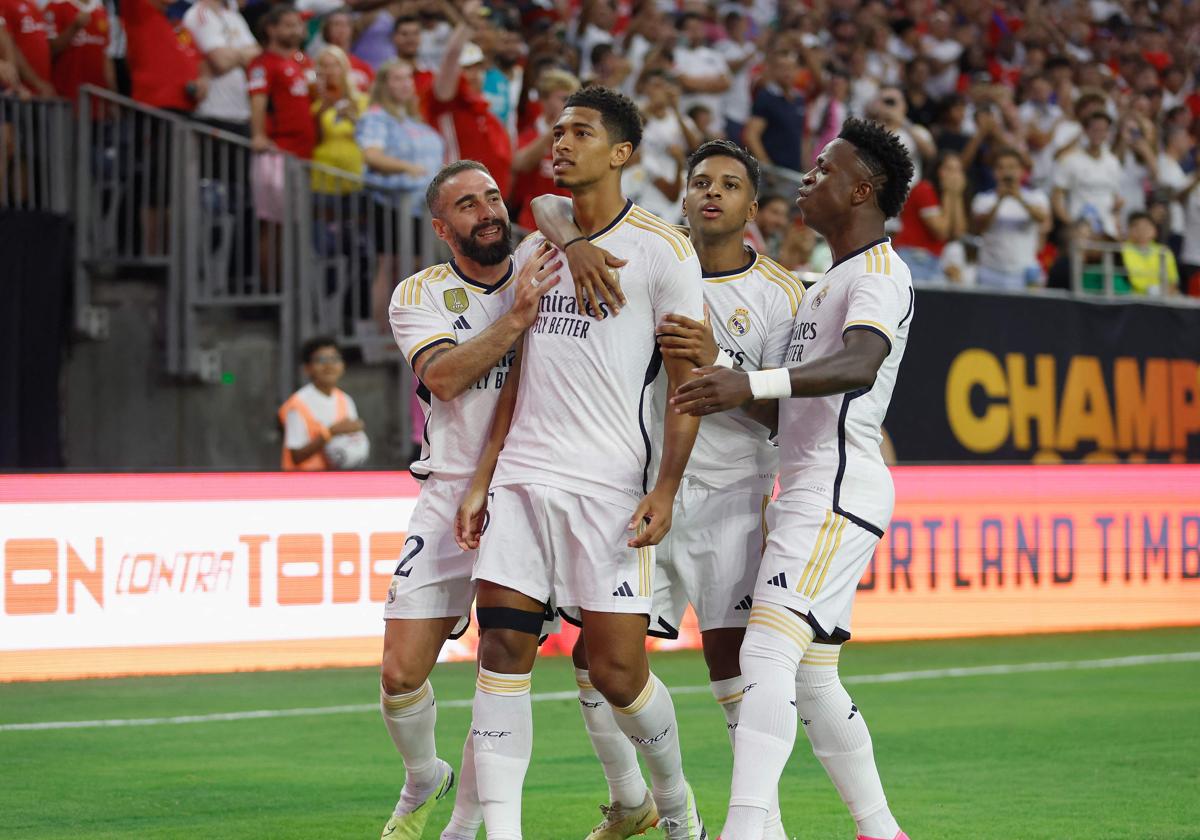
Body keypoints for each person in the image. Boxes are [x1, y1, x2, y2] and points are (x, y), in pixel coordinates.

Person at [532, 139, 805, 840]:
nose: (713, 193)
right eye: (700, 182)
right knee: (595, 662)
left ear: (752, 206)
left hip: (732, 500)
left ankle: (759, 826)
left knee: (734, 667)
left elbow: (788, 415)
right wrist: (570, 238)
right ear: (682, 197)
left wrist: (725, 370)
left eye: (730, 185)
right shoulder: (649, 255)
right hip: (641, 489)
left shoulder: (781, 293)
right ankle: (631, 801)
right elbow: (544, 202)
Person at [455, 85, 707, 840]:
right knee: (501, 647)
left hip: (608, 488)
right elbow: (519, 373)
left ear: (622, 153)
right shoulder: (540, 247)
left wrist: (666, 486)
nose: (560, 142)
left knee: (616, 675)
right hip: (525, 479)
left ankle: (676, 805)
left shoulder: (665, 252)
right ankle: (503, 831)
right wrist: (482, 477)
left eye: (581, 132)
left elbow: (687, 385)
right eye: (557, 130)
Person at [672, 117, 915, 840]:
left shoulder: (880, 272)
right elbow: (792, 417)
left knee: (765, 651)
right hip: (811, 485)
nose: (805, 179)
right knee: (810, 677)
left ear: (862, 189)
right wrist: (736, 388)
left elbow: (861, 363)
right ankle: (881, 829)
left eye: (822, 168)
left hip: (837, 490)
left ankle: (748, 828)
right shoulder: (825, 282)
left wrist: (748, 383)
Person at [378, 158, 565, 840]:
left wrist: (551, 226)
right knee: (400, 672)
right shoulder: (418, 294)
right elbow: (447, 377)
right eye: (466, 204)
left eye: (491, 197)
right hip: (448, 487)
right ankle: (426, 773)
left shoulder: (541, 262)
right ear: (440, 227)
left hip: (527, 491)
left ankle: (462, 826)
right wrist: (517, 319)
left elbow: (560, 207)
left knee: (501, 670)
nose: (485, 210)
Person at [356, 59, 444, 328]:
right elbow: (371, 156)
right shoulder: (375, 117)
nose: (405, 83)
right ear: (383, 84)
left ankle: (412, 331)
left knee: (417, 268)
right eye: (397, 78)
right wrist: (408, 167)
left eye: (408, 78)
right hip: (391, 202)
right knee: (389, 264)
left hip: (422, 206)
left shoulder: (413, 119)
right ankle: (383, 332)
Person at [424, 1, 512, 196]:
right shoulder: (447, 102)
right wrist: (467, 24)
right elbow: (451, 57)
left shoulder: (487, 115)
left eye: (477, 68)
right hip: (456, 198)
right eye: (466, 68)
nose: (473, 74)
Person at [278, 336, 368, 470]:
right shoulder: (297, 404)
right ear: (307, 368)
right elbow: (295, 456)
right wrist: (329, 433)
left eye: (334, 359)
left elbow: (352, 437)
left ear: (343, 365)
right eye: (321, 360)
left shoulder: (345, 399)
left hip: (334, 480)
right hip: (301, 483)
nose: (329, 365)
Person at [972, 148, 1052, 290]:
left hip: (1025, 271)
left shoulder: (1036, 196)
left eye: (1012, 167)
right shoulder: (983, 199)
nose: (1007, 172)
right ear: (994, 172)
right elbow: (979, 227)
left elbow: (1042, 217)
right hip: (990, 270)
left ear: (1021, 171)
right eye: (1001, 168)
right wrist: (999, 200)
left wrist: (1019, 198)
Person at [511, 68, 579, 231]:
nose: (570, 106)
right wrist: (555, 130)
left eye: (573, 100)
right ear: (544, 100)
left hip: (571, 225)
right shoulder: (530, 134)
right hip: (533, 225)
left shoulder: (579, 138)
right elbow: (519, 164)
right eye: (564, 99)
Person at [183, 0, 258, 134]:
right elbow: (220, 61)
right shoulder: (198, 14)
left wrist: (228, 54)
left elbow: (257, 56)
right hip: (212, 114)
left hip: (242, 114)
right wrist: (243, 53)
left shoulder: (234, 17)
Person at [893, 151, 967, 283]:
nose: (954, 175)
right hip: (914, 257)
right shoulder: (924, 189)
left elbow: (958, 233)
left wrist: (957, 196)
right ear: (938, 170)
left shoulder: (947, 194)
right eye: (949, 169)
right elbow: (941, 231)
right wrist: (949, 194)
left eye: (958, 170)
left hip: (934, 260)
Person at [1052, 110, 1124, 238]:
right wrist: (1069, 223)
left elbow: (1115, 197)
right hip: (1080, 228)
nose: (1099, 134)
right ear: (1085, 131)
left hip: (1107, 231)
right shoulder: (1070, 160)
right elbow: (1057, 196)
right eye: (1095, 129)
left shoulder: (1113, 162)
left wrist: (1117, 224)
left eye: (1103, 130)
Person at [310, 45, 367, 195]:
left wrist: (353, 118)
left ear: (344, 68)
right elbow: (314, 139)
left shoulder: (362, 101)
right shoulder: (315, 104)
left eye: (334, 65)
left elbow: (370, 137)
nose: (329, 71)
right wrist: (322, 108)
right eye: (324, 66)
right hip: (324, 173)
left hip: (354, 172)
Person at [745, 50, 804, 173]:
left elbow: (802, 135)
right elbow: (751, 135)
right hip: (775, 172)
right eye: (782, 68)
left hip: (794, 170)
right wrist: (768, 167)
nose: (788, 72)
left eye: (792, 68)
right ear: (773, 70)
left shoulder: (799, 99)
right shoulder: (766, 97)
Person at [45, 0, 113, 103]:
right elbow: (49, 50)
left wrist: (112, 95)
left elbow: (106, 58)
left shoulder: (100, 11)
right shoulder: (56, 5)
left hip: (98, 101)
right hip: (65, 98)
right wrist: (75, 27)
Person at [1121, 211, 1179, 295]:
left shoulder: (1164, 251)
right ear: (1129, 229)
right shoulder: (1121, 250)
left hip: (1161, 299)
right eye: (1136, 227)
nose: (1141, 231)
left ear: (1154, 230)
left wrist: (1163, 291)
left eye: (1145, 227)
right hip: (1132, 299)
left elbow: (1173, 280)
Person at [320, 9, 374, 92]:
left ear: (352, 30)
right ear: (327, 29)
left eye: (346, 25)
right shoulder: (319, 64)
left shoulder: (363, 67)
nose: (341, 28)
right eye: (336, 24)